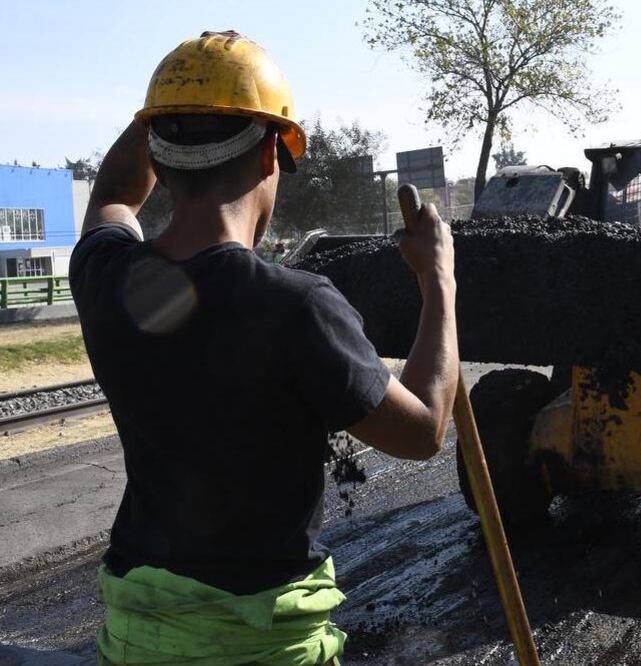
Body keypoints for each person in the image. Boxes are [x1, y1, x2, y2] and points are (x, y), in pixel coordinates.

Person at [70, 32, 460, 665]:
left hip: (137, 641)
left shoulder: (106, 278)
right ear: (269, 159)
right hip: (265, 645)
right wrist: (438, 278)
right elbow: (422, 432)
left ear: (162, 165)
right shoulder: (297, 305)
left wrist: (161, 112)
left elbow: (113, 195)